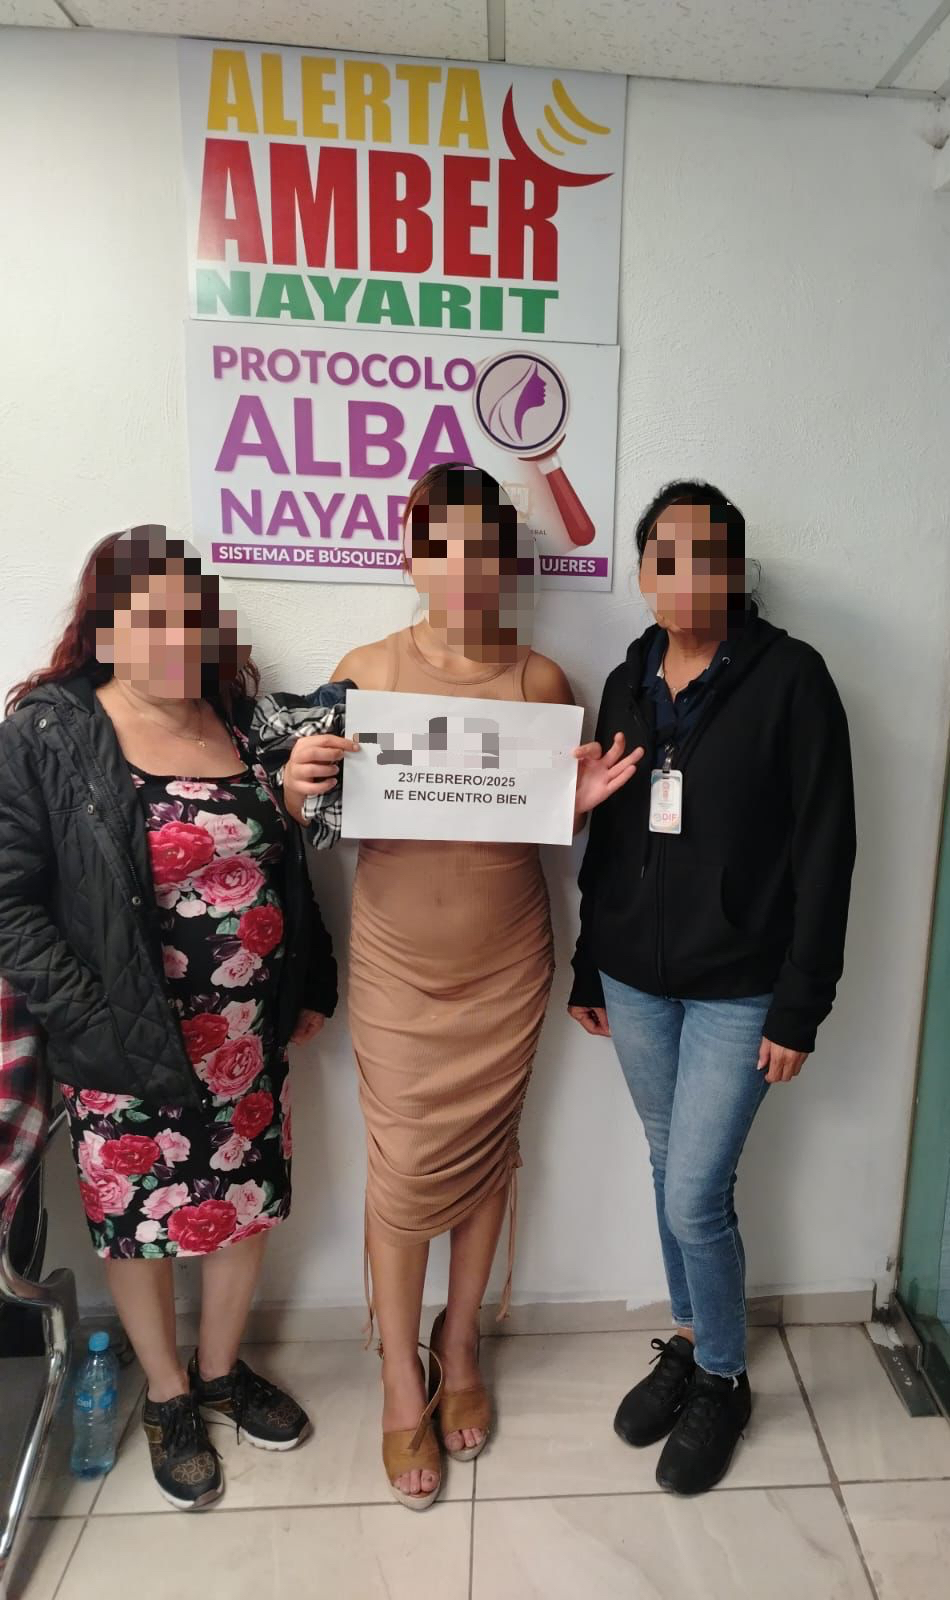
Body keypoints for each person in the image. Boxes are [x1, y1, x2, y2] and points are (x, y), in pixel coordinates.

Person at [282, 464, 640, 1510]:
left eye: (484, 548)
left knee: (486, 1158)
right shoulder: (364, 671)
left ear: (507, 564)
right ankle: (401, 1373)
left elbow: (544, 820)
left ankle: (463, 1335)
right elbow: (320, 815)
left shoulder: (541, 680)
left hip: (505, 961)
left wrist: (577, 803)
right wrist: (297, 783)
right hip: (398, 962)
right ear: (410, 553)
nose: (463, 567)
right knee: (401, 1174)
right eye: (441, 545)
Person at [0, 527, 339, 1510]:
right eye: (147, 617)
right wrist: (87, 1017)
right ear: (104, 628)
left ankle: (222, 1370)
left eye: (191, 615)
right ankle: (167, 1394)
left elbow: (287, 857)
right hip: (121, 1036)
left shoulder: (239, 719)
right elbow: (10, 901)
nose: (174, 635)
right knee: (138, 1221)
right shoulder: (51, 732)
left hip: (246, 1034)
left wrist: (308, 983)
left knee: (244, 1204)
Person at [569, 481, 856, 1496]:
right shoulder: (626, 679)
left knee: (695, 1192)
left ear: (736, 571)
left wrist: (800, 1004)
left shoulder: (791, 679)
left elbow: (826, 851)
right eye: (666, 557)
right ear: (642, 571)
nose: (686, 576)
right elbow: (608, 834)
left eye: (709, 557)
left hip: (741, 987)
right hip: (634, 981)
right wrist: (588, 961)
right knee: (666, 1166)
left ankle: (725, 1378)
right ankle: (691, 1338)